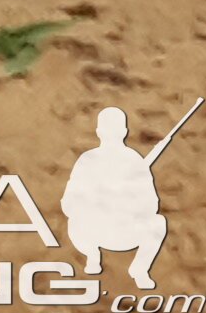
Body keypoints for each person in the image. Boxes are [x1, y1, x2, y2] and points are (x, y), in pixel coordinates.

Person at [63, 108, 169, 289]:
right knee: (157, 223)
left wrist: (125, 201)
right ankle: (93, 256)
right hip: (94, 231)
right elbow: (69, 203)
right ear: (124, 132)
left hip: (119, 231)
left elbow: (151, 204)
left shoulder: (131, 161)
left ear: (99, 132)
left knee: (158, 222)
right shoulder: (90, 160)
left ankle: (138, 269)